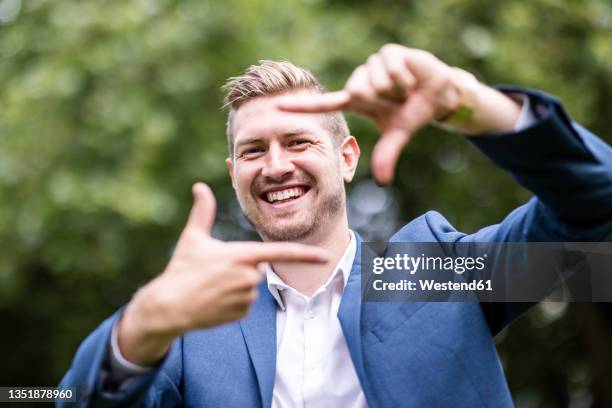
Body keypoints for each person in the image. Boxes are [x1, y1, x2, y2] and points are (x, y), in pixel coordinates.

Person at [59, 44, 612, 407]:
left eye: (298, 141)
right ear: (233, 175)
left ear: (346, 158)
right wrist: (136, 331)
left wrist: (470, 103)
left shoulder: (437, 275)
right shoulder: (189, 325)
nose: (275, 166)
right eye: (253, 150)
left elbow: (593, 203)